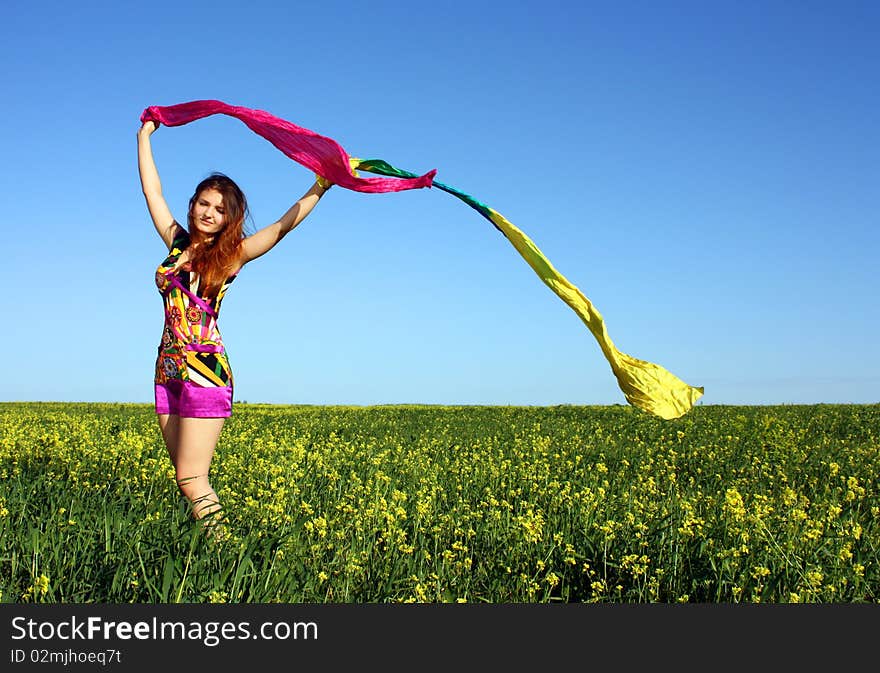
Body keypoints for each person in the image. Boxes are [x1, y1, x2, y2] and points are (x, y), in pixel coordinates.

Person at [137, 119, 331, 532]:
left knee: (192, 479)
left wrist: (320, 186)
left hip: (206, 369)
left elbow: (282, 227)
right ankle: (206, 549)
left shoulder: (232, 255)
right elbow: (152, 192)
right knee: (184, 477)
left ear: (230, 218)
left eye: (219, 209)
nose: (208, 213)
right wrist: (144, 137)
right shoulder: (176, 244)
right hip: (167, 367)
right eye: (203, 204)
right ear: (193, 206)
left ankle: (227, 552)